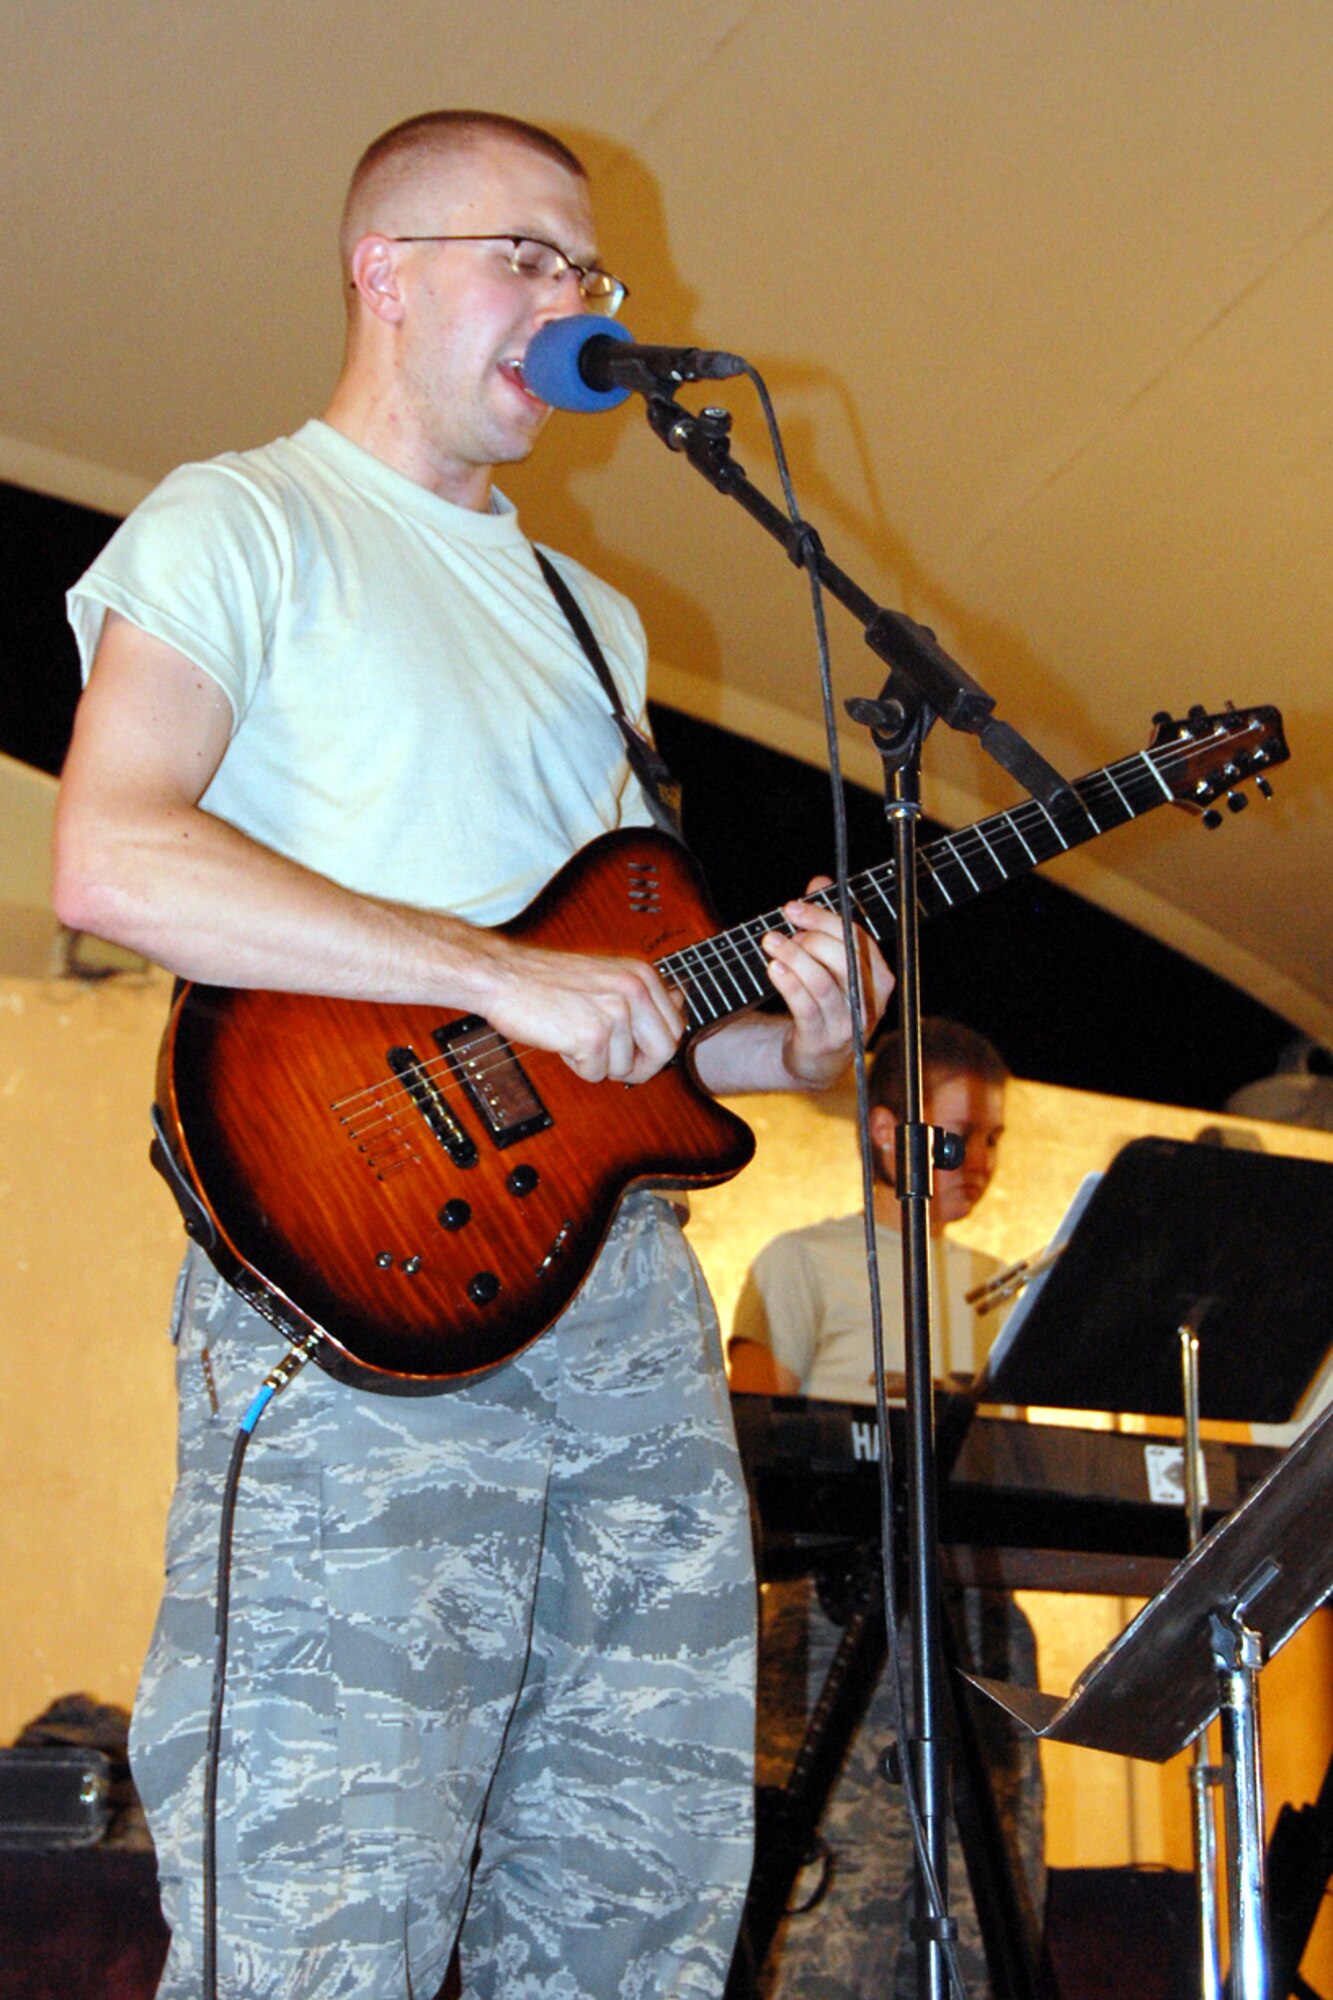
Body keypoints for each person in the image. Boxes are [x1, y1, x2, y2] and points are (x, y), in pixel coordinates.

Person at [52, 110, 891, 2000]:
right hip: (361, 1289)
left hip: (623, 1317)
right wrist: (494, 978)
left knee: (638, 1910)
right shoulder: (243, 519)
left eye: (587, 272)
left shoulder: (595, 621)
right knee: (322, 1912)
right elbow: (113, 855)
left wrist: (799, 1042)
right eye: (526, 257)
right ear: (383, 272)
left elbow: (626, 1029)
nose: (574, 303)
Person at [727, 1019, 1044, 2000]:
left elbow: (1016, 1474)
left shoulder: (998, 1288)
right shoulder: (802, 1261)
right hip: (837, 1614)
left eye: (993, 1139)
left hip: (977, 1623)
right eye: (957, 1136)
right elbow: (758, 1448)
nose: (978, 1161)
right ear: (884, 1129)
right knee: (832, 1929)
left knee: (988, 1921)